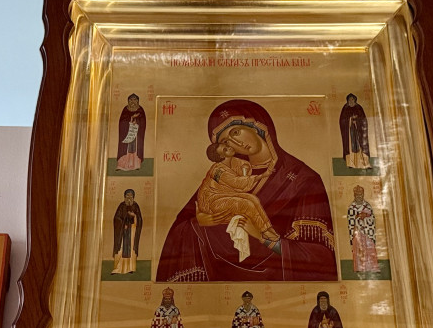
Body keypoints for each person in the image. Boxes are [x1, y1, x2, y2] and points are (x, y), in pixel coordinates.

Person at [156, 99, 337, 282]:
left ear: (257, 125)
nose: (236, 143)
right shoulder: (226, 172)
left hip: (276, 280)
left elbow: (321, 258)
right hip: (220, 276)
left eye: (236, 132)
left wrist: (266, 240)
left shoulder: (303, 180)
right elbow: (182, 227)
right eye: (226, 141)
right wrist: (199, 222)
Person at [196, 139, 280, 261]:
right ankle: (264, 232)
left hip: (226, 196)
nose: (229, 147)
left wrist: (245, 171)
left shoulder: (234, 161)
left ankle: (268, 229)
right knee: (246, 204)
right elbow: (238, 183)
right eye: (225, 149)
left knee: (253, 199)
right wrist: (263, 175)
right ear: (221, 156)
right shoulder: (218, 171)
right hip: (212, 202)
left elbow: (244, 179)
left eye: (226, 145)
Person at [347, 186, 380, 275]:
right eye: (357, 194)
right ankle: (359, 268)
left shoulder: (367, 206)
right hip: (357, 232)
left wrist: (365, 217)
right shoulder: (352, 207)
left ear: (363, 194)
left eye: (360, 194)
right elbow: (350, 220)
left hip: (367, 233)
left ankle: (372, 267)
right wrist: (357, 218)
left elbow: (372, 218)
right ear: (354, 195)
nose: (359, 196)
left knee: (369, 248)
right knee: (358, 250)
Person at [111, 189, 143, 275]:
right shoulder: (121, 206)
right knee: (120, 249)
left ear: (133, 197)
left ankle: (130, 268)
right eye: (127, 196)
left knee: (131, 249)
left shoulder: (136, 206)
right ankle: (117, 269)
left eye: (131, 196)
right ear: (124, 197)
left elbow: (140, 219)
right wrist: (122, 224)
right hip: (122, 233)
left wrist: (134, 216)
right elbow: (116, 218)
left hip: (132, 231)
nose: (129, 198)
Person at [339, 94, 370, 169]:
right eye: (349, 99)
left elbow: (363, 119)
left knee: (361, 145)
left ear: (355, 100)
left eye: (352, 99)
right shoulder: (345, 108)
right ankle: (351, 164)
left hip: (359, 131)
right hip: (350, 132)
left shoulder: (359, 108)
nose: (351, 101)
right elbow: (342, 120)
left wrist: (357, 120)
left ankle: (365, 163)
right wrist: (350, 119)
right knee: (351, 146)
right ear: (347, 100)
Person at [117, 94, 147, 171]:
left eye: (134, 100)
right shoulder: (125, 109)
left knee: (135, 148)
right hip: (126, 133)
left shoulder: (140, 110)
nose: (133, 102)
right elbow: (122, 121)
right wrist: (131, 118)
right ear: (128, 101)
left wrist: (136, 121)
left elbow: (143, 121)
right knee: (125, 148)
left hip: (136, 134)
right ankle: (122, 165)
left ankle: (136, 165)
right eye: (131, 100)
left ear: (137, 101)